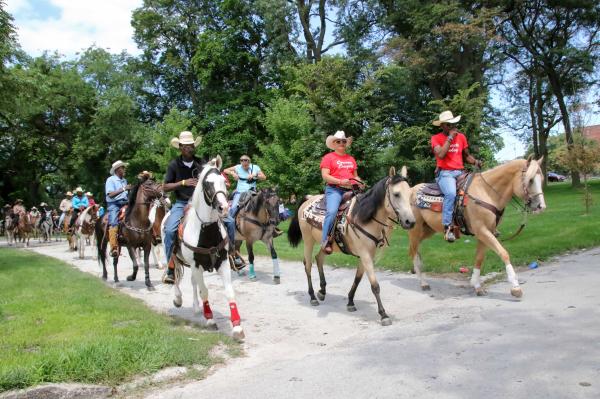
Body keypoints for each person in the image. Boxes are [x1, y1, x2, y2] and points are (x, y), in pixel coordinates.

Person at [431, 110, 482, 243]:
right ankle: (447, 228)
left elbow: (466, 156)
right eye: (449, 125)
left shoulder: (461, 137)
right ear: (442, 126)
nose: (452, 127)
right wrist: (449, 138)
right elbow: (441, 154)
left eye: (453, 124)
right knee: (451, 194)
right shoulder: (435, 138)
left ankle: (481, 222)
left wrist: (475, 161)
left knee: (476, 190)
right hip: (445, 173)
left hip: (460, 172)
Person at [162, 131, 204, 284]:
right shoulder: (174, 164)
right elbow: (165, 187)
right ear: (180, 147)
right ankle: (170, 268)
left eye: (191, 145)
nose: (189, 148)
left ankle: (231, 255)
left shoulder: (201, 163)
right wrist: (183, 183)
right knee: (170, 230)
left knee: (227, 220)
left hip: (199, 203)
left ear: (194, 146)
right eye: (185, 146)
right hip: (181, 203)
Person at [320, 130, 364, 254]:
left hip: (352, 190)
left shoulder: (351, 159)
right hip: (335, 190)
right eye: (338, 141)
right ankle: (325, 241)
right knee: (332, 211)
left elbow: (356, 176)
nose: (341, 143)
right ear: (333, 144)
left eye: (343, 141)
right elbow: (325, 176)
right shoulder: (328, 157)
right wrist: (340, 181)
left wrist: (359, 181)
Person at [223, 155, 268, 262]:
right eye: (242, 160)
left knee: (268, 205)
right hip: (240, 192)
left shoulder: (255, 167)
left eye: (246, 160)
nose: (244, 162)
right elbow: (225, 170)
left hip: (252, 192)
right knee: (233, 208)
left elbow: (264, 177)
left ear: (249, 161)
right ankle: (229, 227)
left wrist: (255, 175)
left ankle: (270, 227)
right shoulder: (238, 167)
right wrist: (233, 173)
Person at [105, 160, 132, 257]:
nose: (124, 169)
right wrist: (124, 189)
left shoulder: (124, 180)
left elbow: (126, 194)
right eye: (122, 167)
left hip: (125, 202)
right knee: (113, 221)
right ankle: (113, 247)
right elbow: (111, 194)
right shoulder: (110, 180)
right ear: (117, 170)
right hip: (114, 204)